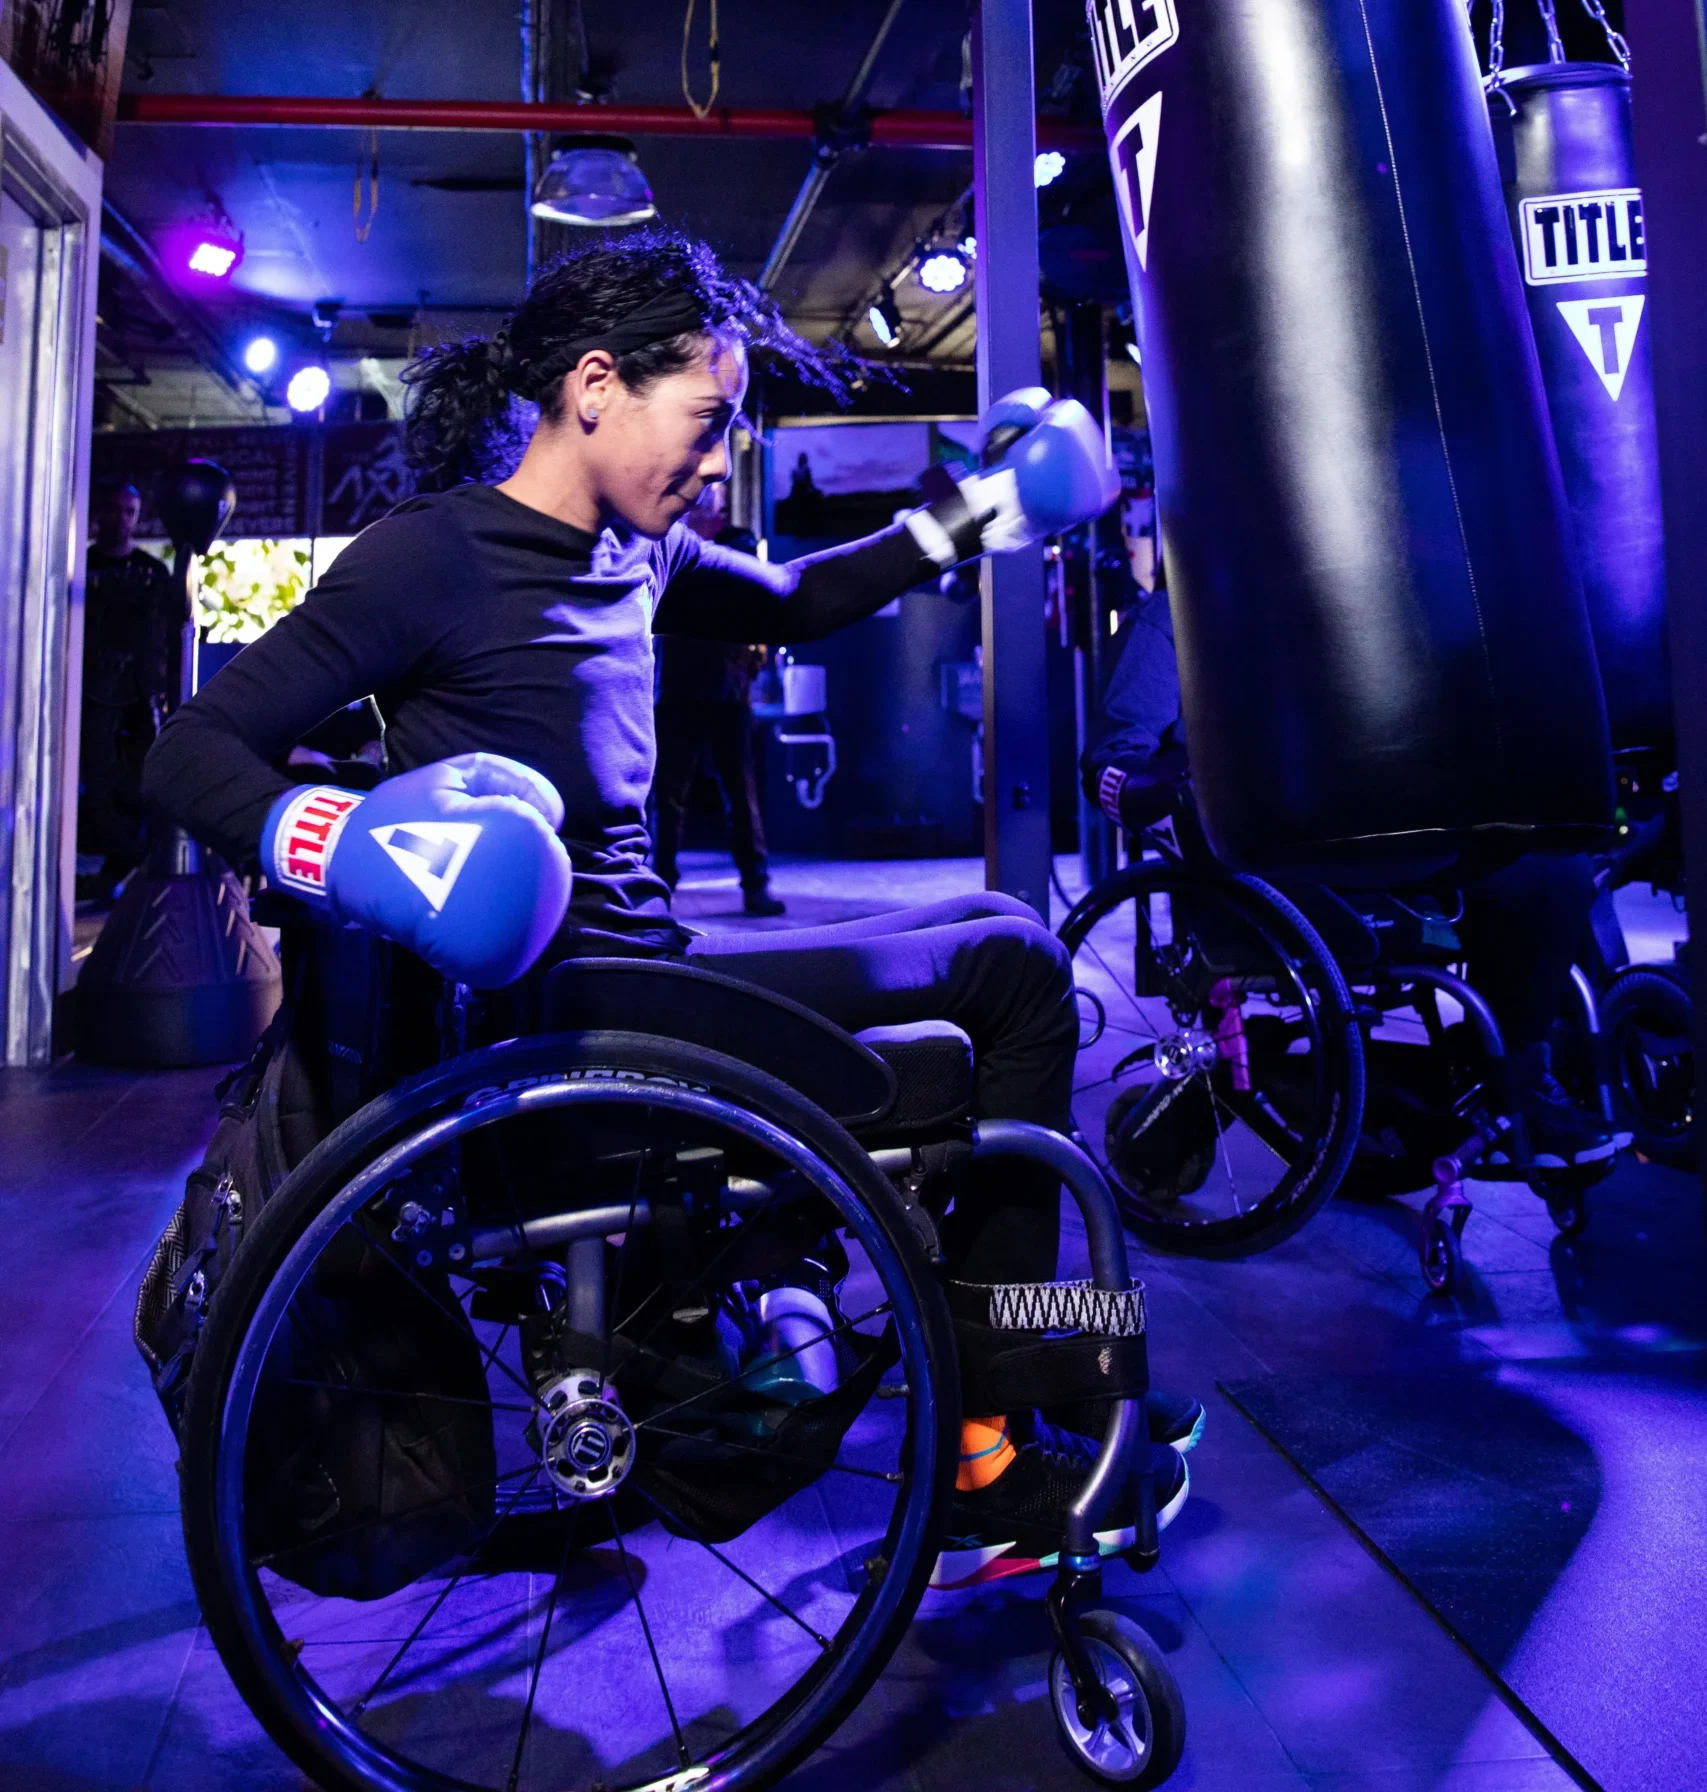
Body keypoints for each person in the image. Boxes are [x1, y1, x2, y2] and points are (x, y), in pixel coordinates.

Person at [143, 228, 1197, 1588]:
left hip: (657, 978)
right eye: (704, 426)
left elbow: (804, 597)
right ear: (594, 387)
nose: (716, 466)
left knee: (1001, 930)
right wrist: (351, 845)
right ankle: (992, 1444)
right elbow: (189, 756)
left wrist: (980, 509)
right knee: (1017, 977)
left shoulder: (633, 555)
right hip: (576, 1026)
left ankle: (1041, 1386)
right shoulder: (433, 560)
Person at [1083, 580, 1618, 1169]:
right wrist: (1183, 785)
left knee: (1552, 872)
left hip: (1392, 829)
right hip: (1269, 860)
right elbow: (1112, 763)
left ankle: (1513, 1078)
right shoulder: (1171, 617)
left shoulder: (1362, 576)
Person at [652, 483, 782, 915]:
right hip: (688, 693)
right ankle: (666, 883)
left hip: (710, 693)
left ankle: (748, 882)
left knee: (722, 794)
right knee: (677, 795)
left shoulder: (717, 559)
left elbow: (759, 618)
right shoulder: (672, 548)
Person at [77, 480, 179, 899]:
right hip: (89, 693)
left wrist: (163, 691)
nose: (120, 520)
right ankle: (127, 858)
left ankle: (124, 864)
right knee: (96, 782)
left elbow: (166, 637)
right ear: (98, 512)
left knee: (140, 783)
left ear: (137, 517)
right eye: (113, 510)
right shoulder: (79, 568)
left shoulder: (153, 574)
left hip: (141, 695)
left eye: (128, 512)